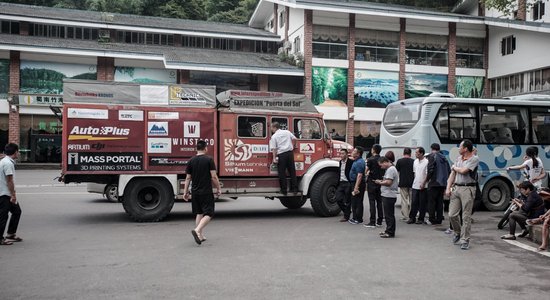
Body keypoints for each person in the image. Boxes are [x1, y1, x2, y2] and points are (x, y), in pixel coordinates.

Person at [183, 140, 221, 245]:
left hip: (195, 192)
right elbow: (213, 176)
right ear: (205, 148)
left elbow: (187, 178)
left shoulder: (191, 161)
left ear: (196, 149)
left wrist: (185, 192)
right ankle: (197, 230)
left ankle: (200, 235)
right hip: (206, 191)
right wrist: (218, 188)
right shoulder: (209, 160)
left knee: (199, 213)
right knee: (209, 213)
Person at [445, 139, 479, 250]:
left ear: (465, 149)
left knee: (466, 216)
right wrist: (448, 188)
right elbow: (452, 174)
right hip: (456, 187)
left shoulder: (474, 159)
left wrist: (454, 167)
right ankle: (457, 232)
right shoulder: (458, 158)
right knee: (452, 214)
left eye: (460, 147)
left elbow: (464, 171)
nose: (459, 148)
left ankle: (465, 240)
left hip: (468, 188)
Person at [0, 143, 22, 246]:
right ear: (15, 152)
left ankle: (11, 234)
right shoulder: (7, 163)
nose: (19, 153)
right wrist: (13, 195)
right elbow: (9, 180)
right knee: (3, 216)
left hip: (6, 192)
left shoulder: (5, 161)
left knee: (17, 211)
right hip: (5, 194)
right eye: (18, 151)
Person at [269, 122, 298, 195]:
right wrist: (294, 146)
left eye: (272, 127)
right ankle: (294, 189)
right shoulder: (287, 132)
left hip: (281, 155)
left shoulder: (274, 136)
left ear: (275, 127)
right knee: (292, 172)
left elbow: (274, 149)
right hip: (290, 154)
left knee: (282, 173)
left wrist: (274, 158)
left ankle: (284, 190)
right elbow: (295, 138)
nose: (271, 129)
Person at [375, 156, 399, 238]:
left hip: (389, 194)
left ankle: (390, 232)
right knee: (388, 214)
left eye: (381, 165)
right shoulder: (390, 169)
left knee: (389, 215)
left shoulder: (390, 170)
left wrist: (380, 182)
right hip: (388, 194)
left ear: (385, 162)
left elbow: (389, 182)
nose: (381, 167)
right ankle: (388, 230)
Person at [426, 143, 449, 225]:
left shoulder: (432, 156)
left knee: (431, 202)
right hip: (442, 183)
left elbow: (430, 170)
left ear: (432, 149)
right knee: (440, 202)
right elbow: (448, 171)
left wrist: (427, 179)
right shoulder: (444, 157)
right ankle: (439, 219)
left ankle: (431, 219)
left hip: (434, 182)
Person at [364, 144, 384, 228]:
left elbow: (366, 170)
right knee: (379, 202)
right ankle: (379, 221)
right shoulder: (382, 159)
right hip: (380, 182)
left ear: (374, 150)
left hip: (372, 182)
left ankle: (372, 221)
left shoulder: (370, 159)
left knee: (372, 201)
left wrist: (367, 173)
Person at [408, 147, 429, 224]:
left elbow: (427, 174)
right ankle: (412, 217)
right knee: (414, 202)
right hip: (415, 184)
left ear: (421, 153)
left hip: (424, 185)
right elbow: (414, 173)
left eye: (417, 152)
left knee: (422, 202)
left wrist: (423, 183)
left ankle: (421, 218)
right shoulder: (415, 161)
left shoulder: (426, 162)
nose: (415, 154)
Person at [349, 146, 366, 225]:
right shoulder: (357, 160)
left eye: (354, 151)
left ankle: (358, 219)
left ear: (358, 154)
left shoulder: (359, 162)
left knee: (357, 201)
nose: (352, 152)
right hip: (355, 182)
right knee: (355, 201)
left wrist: (356, 187)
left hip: (358, 183)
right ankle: (355, 217)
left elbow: (359, 175)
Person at [395, 148, 414, 221]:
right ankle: (412, 214)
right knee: (412, 199)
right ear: (410, 153)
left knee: (404, 200)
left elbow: (397, 171)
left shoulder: (400, 161)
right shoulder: (413, 161)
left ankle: (405, 215)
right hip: (412, 183)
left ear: (403, 153)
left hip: (403, 182)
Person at [335, 148, 353, 222]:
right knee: (338, 199)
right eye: (340, 153)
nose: (341, 155)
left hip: (348, 183)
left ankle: (346, 217)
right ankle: (347, 211)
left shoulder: (351, 162)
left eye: (342, 153)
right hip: (341, 183)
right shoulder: (340, 162)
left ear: (346, 154)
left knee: (348, 200)